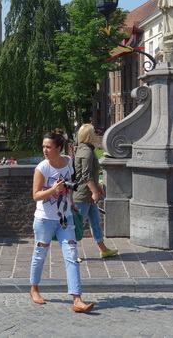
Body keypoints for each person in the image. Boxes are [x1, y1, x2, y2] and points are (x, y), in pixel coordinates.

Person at [29, 129, 95, 312]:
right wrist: (52, 190)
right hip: (45, 220)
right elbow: (36, 195)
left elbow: (69, 187)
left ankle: (77, 299)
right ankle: (34, 289)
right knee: (40, 255)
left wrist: (71, 203)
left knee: (72, 256)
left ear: (58, 148)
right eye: (43, 147)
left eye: (48, 147)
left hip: (65, 219)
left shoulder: (68, 162)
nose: (44, 150)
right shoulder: (42, 168)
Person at [72, 124, 118, 261]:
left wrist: (97, 187)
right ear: (89, 136)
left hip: (88, 194)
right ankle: (72, 253)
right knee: (78, 224)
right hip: (83, 195)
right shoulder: (86, 152)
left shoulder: (83, 149)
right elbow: (86, 175)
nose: (95, 135)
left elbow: (90, 173)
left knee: (95, 221)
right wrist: (94, 192)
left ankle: (103, 249)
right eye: (93, 133)